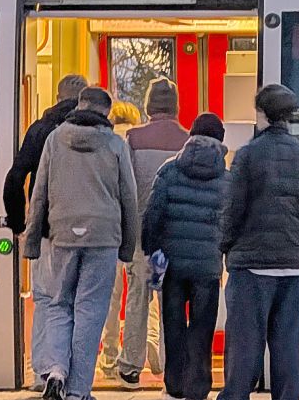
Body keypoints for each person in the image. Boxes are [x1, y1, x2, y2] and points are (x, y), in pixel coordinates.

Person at [24, 86, 139, 400]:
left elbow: (39, 194)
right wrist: (129, 247)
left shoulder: (55, 139)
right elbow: (129, 198)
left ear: (80, 105)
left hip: (61, 235)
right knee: (90, 311)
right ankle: (78, 391)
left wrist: (32, 241)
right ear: (105, 112)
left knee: (60, 305)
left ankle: (57, 370)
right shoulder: (116, 145)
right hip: (103, 239)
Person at [218, 84, 299, 400]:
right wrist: (298, 248)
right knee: (287, 348)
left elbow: (233, 209)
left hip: (251, 268)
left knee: (244, 349)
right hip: (292, 269)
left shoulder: (248, 155)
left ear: (260, 112)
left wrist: (226, 245)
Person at [3, 74, 89, 391]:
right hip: (91, 234)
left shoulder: (40, 130)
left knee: (49, 301)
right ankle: (75, 376)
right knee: (84, 305)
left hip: (50, 232)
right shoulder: (96, 132)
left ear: (57, 96)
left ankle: (46, 373)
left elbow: (15, 178)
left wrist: (19, 224)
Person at [142, 113, 229, 400]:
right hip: (207, 266)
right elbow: (230, 223)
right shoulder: (227, 179)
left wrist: (151, 249)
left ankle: (175, 384)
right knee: (202, 329)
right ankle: (198, 387)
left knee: (174, 325)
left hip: (173, 265)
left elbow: (152, 215)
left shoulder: (169, 170)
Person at [115, 77, 188, 387]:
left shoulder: (132, 138)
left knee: (138, 296)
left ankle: (131, 364)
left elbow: (125, 189)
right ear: (175, 106)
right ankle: (175, 362)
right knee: (173, 298)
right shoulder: (189, 139)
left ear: (147, 105)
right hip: (177, 232)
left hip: (141, 231)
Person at [98, 99, 144, 378]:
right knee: (139, 292)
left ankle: (109, 354)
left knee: (111, 296)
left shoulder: (107, 142)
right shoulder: (137, 141)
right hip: (136, 227)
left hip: (110, 227)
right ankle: (138, 350)